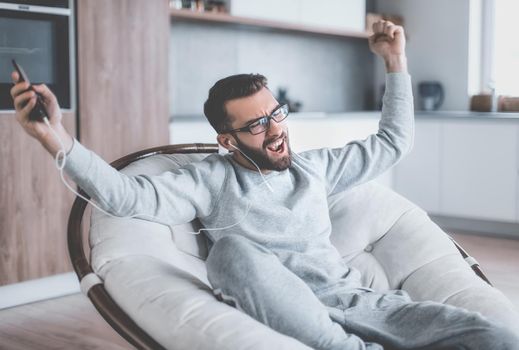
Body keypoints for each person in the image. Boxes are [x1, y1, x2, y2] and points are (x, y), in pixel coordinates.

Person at [12, 21, 518, 350]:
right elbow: (128, 198)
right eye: (256, 124)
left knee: (495, 336)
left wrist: (395, 62)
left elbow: (394, 141)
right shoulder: (209, 179)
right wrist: (57, 138)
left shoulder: (315, 168)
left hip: (361, 303)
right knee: (230, 251)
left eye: (276, 113)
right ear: (227, 140)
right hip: (286, 307)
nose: (275, 129)